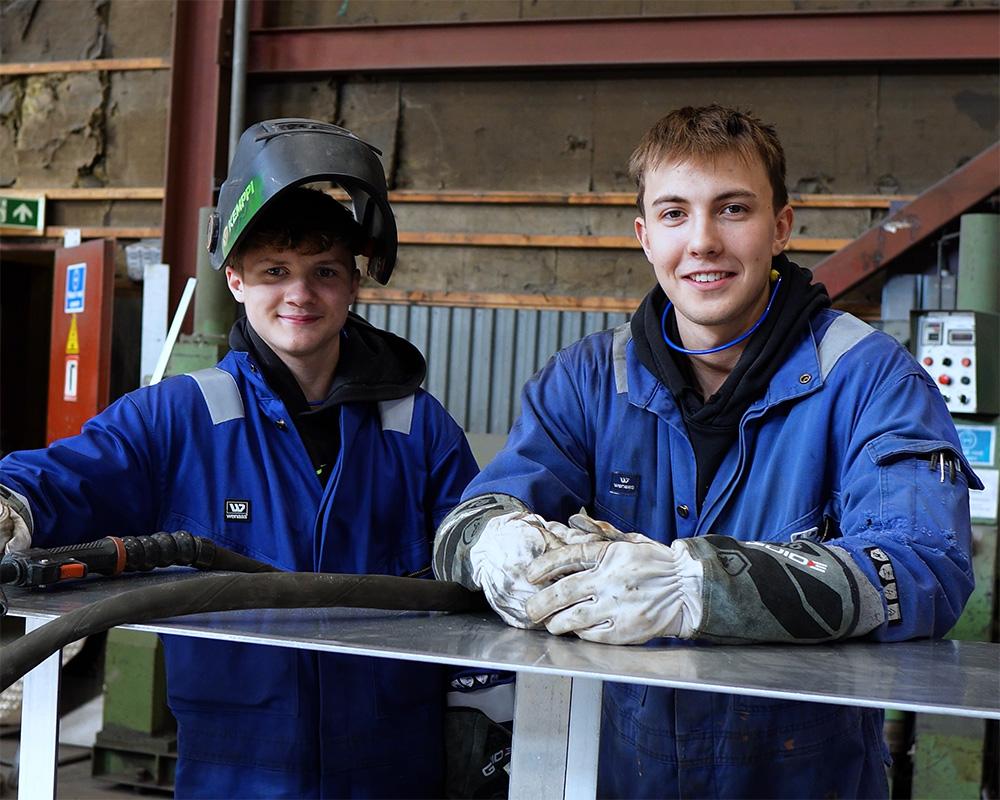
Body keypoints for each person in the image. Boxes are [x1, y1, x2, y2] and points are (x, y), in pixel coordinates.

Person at [433, 105, 981, 799]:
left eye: (732, 209)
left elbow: (925, 568)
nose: (702, 242)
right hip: (625, 776)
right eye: (674, 214)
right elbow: (468, 520)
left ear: (781, 227)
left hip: (805, 779)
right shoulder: (587, 380)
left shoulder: (871, 378)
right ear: (644, 236)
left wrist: (702, 587)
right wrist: (493, 544)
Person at [0, 119, 479, 798]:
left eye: (324, 273)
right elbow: (66, 476)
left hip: (393, 770)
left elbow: (480, 550)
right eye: (275, 272)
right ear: (234, 279)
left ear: (353, 284)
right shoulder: (179, 416)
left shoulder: (417, 428)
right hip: (234, 772)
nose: (300, 295)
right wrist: (9, 503)